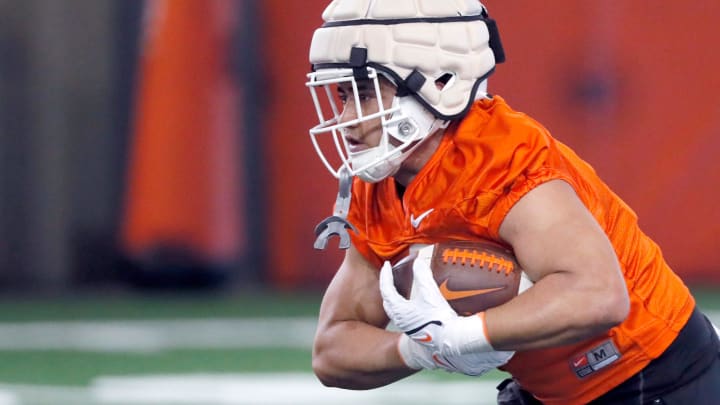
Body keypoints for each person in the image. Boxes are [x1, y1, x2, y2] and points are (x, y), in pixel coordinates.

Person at [304, 1, 720, 404]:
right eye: (343, 96)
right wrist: (425, 351)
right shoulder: (378, 183)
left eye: (365, 91)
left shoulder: (501, 156)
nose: (347, 119)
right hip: (551, 391)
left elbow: (598, 295)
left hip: (653, 377)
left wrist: (467, 336)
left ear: (438, 83)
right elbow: (332, 351)